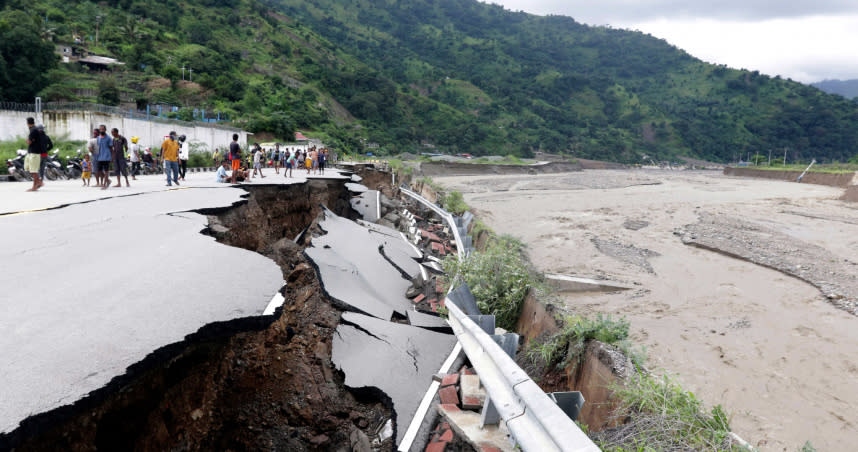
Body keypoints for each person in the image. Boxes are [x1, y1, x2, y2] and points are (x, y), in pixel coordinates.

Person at [24, 117, 42, 191]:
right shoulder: (33, 129)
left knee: (33, 170)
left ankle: (35, 186)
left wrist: (28, 140)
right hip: (31, 152)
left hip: (34, 153)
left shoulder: (34, 130)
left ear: (28, 123)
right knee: (28, 168)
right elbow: (30, 140)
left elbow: (29, 141)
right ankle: (38, 182)